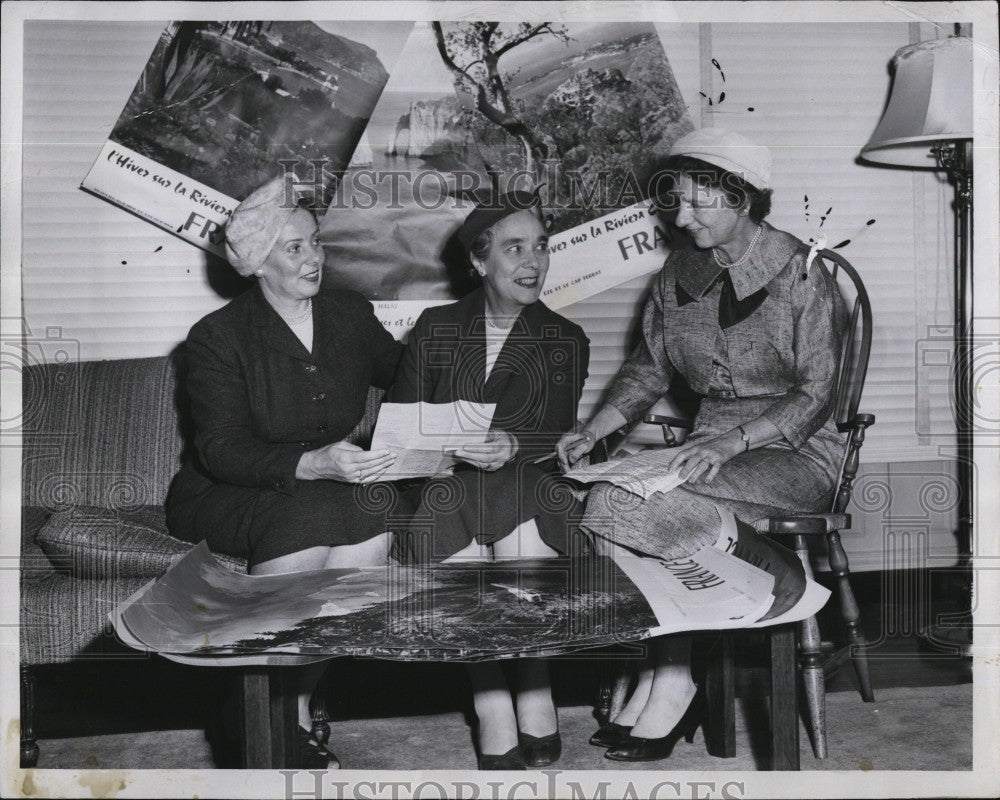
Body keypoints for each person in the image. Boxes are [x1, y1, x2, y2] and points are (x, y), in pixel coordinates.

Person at [557, 128, 846, 762]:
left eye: (698, 203)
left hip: (794, 451)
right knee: (608, 496)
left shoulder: (804, 276)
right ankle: (668, 661)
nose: (681, 219)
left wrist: (734, 441)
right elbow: (648, 368)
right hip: (708, 448)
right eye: (677, 203)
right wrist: (596, 427)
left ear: (741, 198)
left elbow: (817, 392)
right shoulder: (678, 273)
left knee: (634, 503)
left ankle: (678, 672)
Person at [166, 176, 403, 769]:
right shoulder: (217, 338)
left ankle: (276, 702)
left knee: (372, 514)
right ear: (256, 264)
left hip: (327, 487)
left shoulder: (349, 315)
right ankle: (275, 721)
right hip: (227, 491)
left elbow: (410, 375)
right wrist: (310, 462)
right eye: (294, 248)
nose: (314, 258)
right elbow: (218, 449)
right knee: (310, 511)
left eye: (315, 242)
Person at [388, 191, 590, 769]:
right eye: (515, 248)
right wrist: (450, 446)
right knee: (451, 507)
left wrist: (513, 444)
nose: (533, 261)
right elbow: (402, 423)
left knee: (523, 513)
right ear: (480, 263)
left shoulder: (566, 339)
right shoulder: (434, 328)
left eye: (542, 247)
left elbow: (558, 434)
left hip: (526, 480)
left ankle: (534, 684)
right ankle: (492, 699)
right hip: (445, 481)